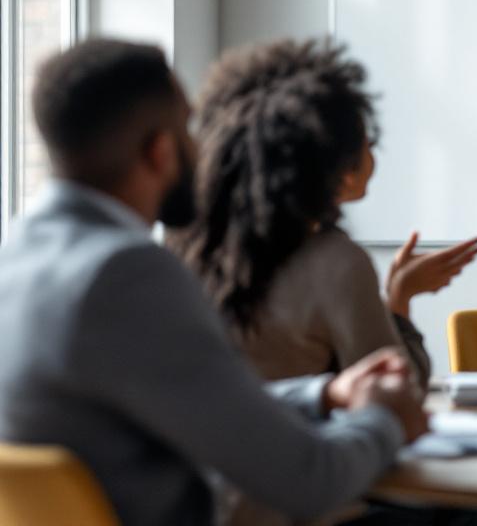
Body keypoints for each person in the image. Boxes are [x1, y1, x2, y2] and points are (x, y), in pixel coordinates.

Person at [0, 39, 433, 526]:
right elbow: (310, 481)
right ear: (160, 151)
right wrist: (383, 418)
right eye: (188, 127)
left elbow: (209, 401)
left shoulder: (21, 254)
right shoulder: (127, 273)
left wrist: (321, 396)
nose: (200, 147)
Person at [173, 39, 477, 391]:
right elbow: (399, 393)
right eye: (366, 142)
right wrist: (399, 299)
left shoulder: (184, 252)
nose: (372, 155)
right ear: (341, 167)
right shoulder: (337, 263)